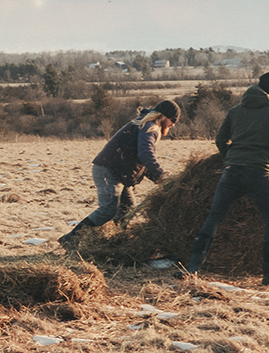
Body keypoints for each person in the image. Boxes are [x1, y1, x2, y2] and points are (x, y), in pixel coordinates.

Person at [179, 73, 269, 285]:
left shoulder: (236, 110)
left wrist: (229, 157)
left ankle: (192, 267)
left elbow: (220, 139)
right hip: (258, 172)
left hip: (231, 171)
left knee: (214, 217)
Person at [58, 99, 180, 247]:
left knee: (127, 208)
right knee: (108, 209)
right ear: (163, 116)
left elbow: (141, 161)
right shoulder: (149, 127)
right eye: (172, 120)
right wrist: (161, 175)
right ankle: (70, 239)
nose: (173, 124)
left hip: (119, 174)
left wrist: (160, 179)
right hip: (108, 171)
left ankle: (116, 242)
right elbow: (145, 154)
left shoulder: (145, 125)